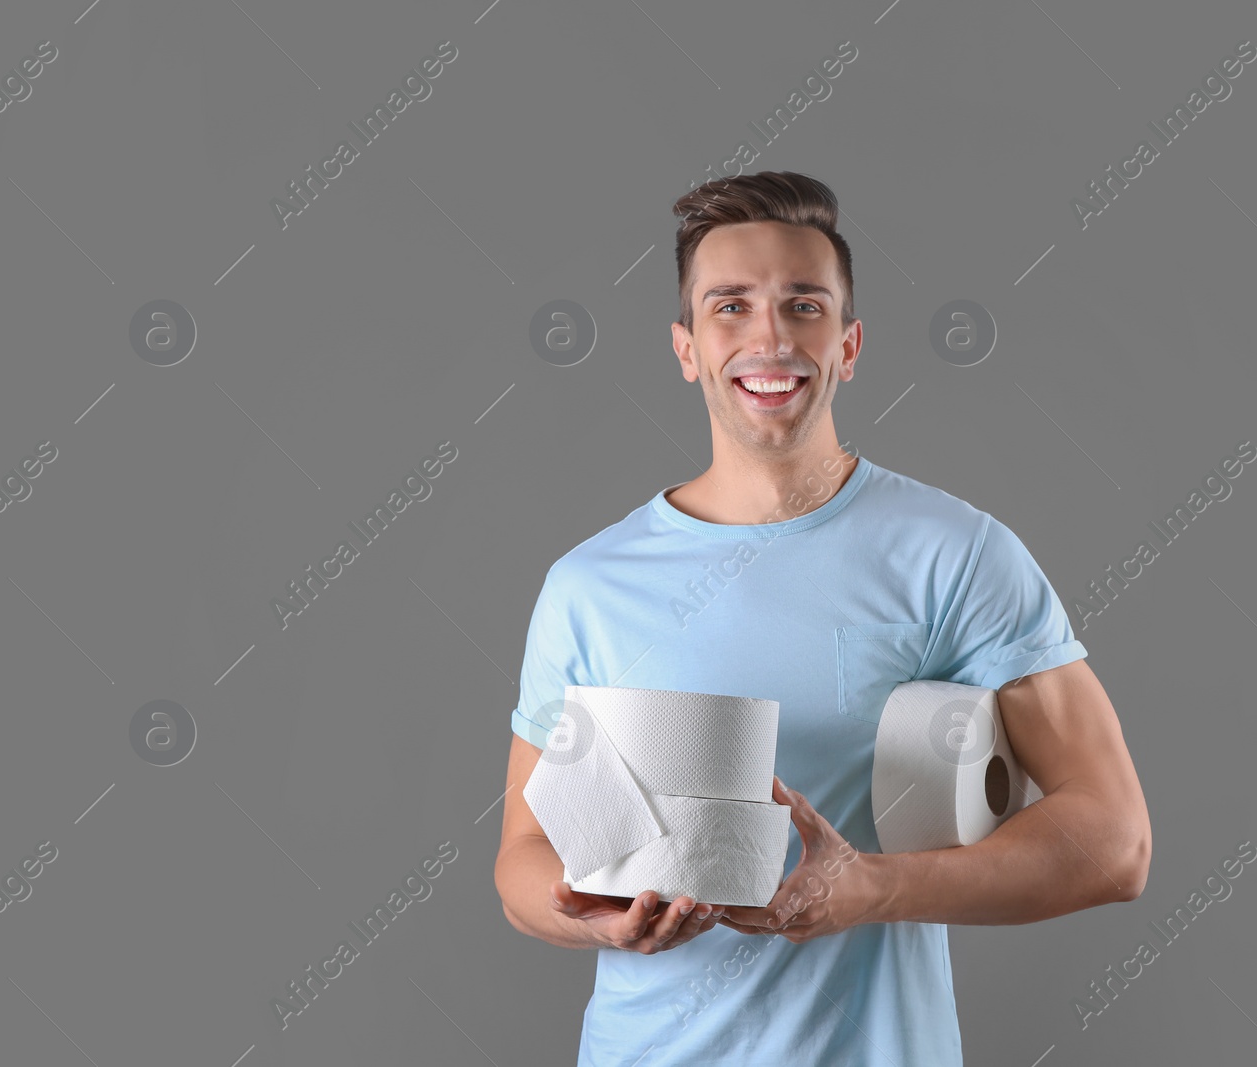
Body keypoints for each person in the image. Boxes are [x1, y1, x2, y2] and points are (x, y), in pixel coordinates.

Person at [493, 170, 1151, 1065]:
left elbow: (1114, 839)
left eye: (804, 305)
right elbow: (523, 860)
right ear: (686, 347)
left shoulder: (954, 554)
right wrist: (600, 923)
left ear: (848, 343)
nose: (769, 336)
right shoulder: (588, 584)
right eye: (731, 306)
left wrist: (868, 889)